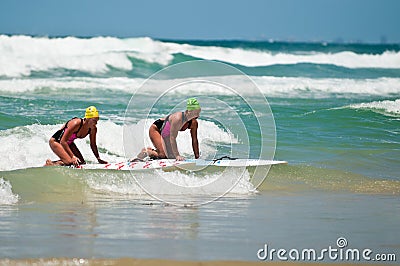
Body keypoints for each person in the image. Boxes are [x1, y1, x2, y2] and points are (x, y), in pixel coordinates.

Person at [135, 98, 201, 161]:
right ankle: (146, 151)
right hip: (157, 129)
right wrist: (177, 155)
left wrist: (197, 157)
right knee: (163, 155)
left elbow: (194, 140)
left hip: (166, 133)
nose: (198, 115)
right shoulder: (178, 118)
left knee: (170, 157)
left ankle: (153, 151)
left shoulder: (194, 123)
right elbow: (172, 138)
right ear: (188, 112)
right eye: (195, 113)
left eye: (198, 112)